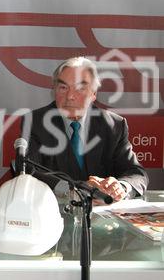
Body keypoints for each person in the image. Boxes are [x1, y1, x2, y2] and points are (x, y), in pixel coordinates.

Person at [22, 56, 148, 201]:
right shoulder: (35, 122)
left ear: (94, 94)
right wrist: (77, 189)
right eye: (63, 88)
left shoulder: (113, 125)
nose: (70, 96)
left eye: (80, 88)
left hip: (104, 213)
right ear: (54, 90)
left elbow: (136, 173)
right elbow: (29, 172)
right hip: (56, 211)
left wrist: (122, 186)